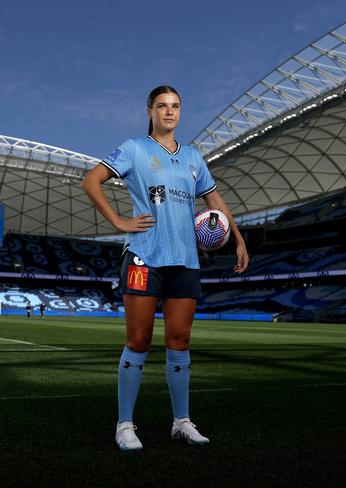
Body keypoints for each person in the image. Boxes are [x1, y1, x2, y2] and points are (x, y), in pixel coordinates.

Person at [82, 85, 249, 451]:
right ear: (150, 111)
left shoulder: (192, 157)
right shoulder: (134, 150)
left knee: (180, 341)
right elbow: (91, 180)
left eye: (175, 106)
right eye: (162, 106)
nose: (169, 112)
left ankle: (181, 422)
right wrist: (119, 222)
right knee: (138, 341)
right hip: (145, 256)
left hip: (186, 260)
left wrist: (238, 237)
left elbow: (215, 200)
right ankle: (125, 424)